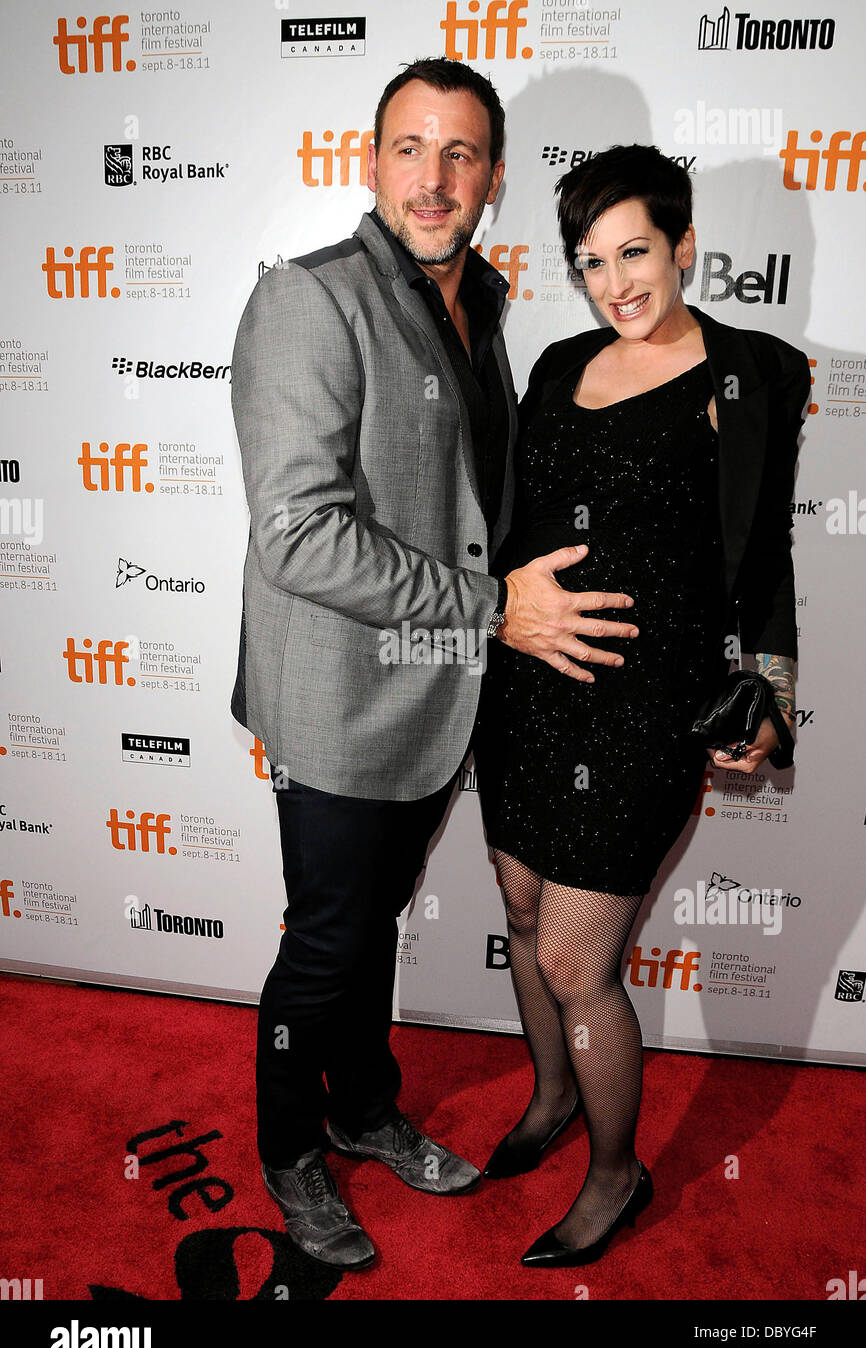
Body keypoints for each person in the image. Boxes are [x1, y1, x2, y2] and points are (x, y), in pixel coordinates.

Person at [229, 60, 637, 1271]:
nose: (433, 176)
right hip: (344, 699)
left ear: (495, 179)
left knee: (367, 931)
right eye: (409, 147)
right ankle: (292, 1146)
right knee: (326, 941)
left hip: (432, 698)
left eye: (460, 154)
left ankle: (363, 1110)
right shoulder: (313, 299)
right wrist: (487, 610)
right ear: (369, 161)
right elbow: (297, 533)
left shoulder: (483, 306)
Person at [473, 144, 810, 1268]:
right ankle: (551, 1097)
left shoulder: (743, 374)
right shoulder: (557, 361)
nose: (614, 283)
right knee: (520, 916)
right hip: (524, 689)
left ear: (681, 247)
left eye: (633, 253)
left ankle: (615, 1173)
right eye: (588, 262)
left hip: (640, 710)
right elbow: (515, 525)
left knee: (577, 961)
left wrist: (767, 687)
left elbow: (762, 554)